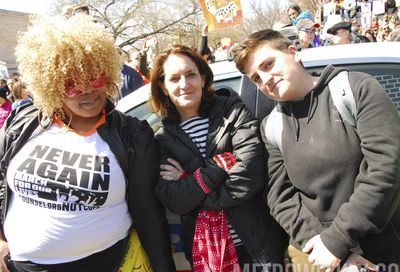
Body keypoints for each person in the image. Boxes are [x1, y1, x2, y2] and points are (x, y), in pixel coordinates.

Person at [0, 15, 175, 272]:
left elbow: (147, 212)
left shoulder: (131, 134)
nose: (89, 91)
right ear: (52, 84)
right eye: (73, 84)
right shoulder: (23, 122)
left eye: (96, 77)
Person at [232, 29, 400, 272]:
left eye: (268, 64)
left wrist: (338, 242)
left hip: (384, 251)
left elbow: (386, 169)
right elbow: (280, 198)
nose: (265, 79)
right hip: (323, 258)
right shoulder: (272, 127)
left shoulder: (356, 89)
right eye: (256, 78)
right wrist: (333, 252)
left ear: (293, 52)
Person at [150, 45, 288, 271]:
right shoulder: (162, 140)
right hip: (207, 256)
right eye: (174, 79)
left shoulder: (232, 112)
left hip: (258, 247)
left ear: (203, 78)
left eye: (191, 74)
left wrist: (191, 182)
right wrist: (219, 167)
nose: (185, 84)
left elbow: (250, 174)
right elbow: (176, 200)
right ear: (164, 88)